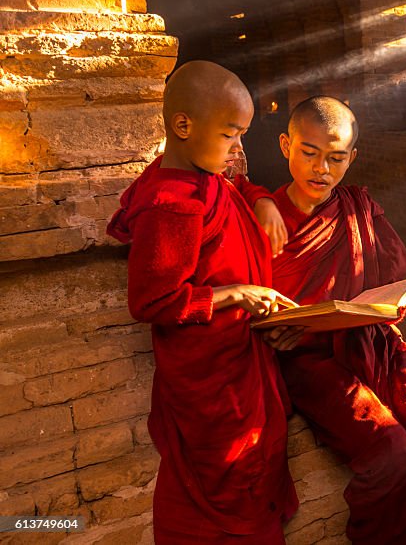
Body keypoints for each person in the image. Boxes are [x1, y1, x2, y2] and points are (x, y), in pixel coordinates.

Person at [259, 96, 406, 545]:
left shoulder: (357, 207)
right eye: (309, 153)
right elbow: (254, 301)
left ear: (352, 158)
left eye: (337, 158)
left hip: (373, 342)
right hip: (310, 360)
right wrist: (272, 331)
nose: (323, 169)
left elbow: (388, 277)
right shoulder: (267, 218)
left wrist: (393, 304)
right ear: (285, 145)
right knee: (391, 453)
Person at [107, 61, 299, 543]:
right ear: (183, 126)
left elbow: (234, 183)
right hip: (211, 374)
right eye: (231, 134)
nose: (239, 149)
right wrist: (236, 293)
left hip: (242, 354)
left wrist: (261, 199)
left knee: (257, 466)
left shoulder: (204, 174)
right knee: (231, 484)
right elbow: (152, 300)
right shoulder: (172, 203)